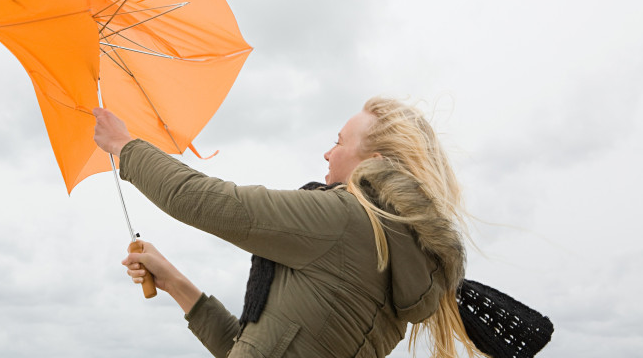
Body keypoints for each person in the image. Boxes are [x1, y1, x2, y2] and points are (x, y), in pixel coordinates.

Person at [93, 97, 484, 358]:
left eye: (339, 141)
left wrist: (124, 146)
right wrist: (175, 283)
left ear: (375, 162)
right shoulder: (393, 254)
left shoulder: (346, 221)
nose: (327, 152)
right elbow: (253, 348)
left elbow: (207, 201)